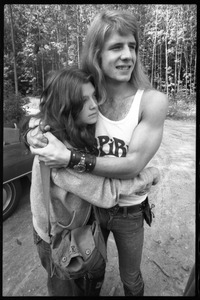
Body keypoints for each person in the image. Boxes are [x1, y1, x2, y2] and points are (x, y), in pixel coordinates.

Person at [24, 10, 168, 296]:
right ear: (97, 54)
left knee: (131, 276)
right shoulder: (82, 92)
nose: (128, 55)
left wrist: (69, 158)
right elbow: (42, 115)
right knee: (90, 269)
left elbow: (132, 165)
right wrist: (32, 134)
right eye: (117, 47)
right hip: (89, 210)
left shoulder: (151, 101)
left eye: (133, 47)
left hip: (130, 209)